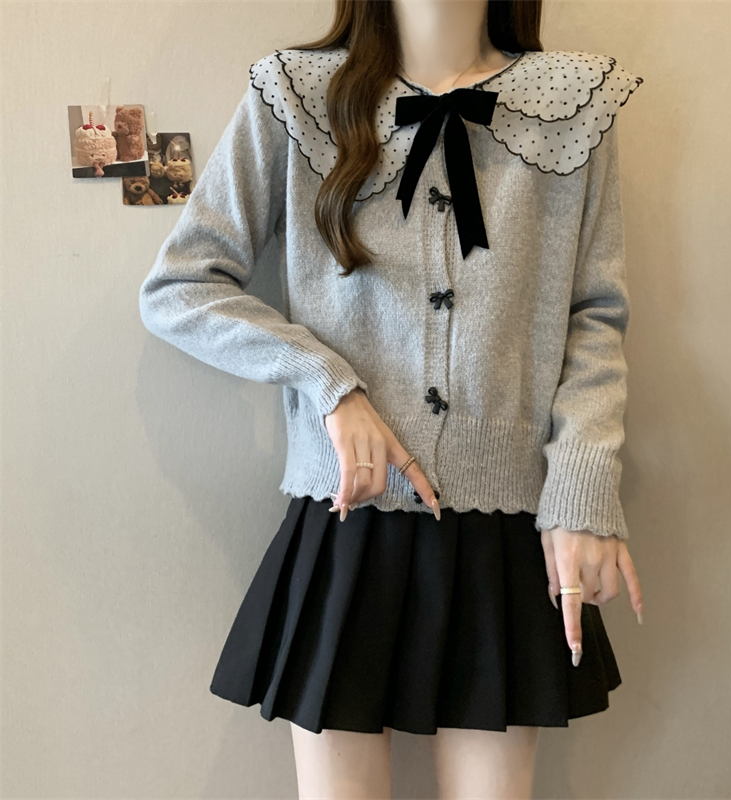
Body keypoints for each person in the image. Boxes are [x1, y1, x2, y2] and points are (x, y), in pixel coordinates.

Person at [138, 0, 646, 796]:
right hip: (347, 522)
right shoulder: (296, 96)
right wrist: (329, 386)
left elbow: (596, 315)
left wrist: (581, 490)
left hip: (506, 529)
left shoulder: (570, 104)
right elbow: (181, 286)